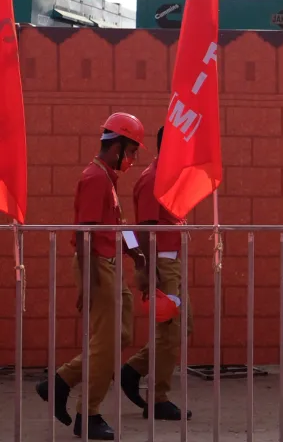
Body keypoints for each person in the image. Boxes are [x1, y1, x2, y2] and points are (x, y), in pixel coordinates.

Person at [35, 113, 147, 440]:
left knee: (121, 336)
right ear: (116, 147)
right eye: (131, 151)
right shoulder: (95, 179)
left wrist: (134, 253)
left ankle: (59, 382)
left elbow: (116, 225)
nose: (132, 159)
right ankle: (90, 414)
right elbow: (84, 233)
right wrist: (86, 282)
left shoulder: (107, 179)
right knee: (108, 341)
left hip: (109, 264)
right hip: (97, 266)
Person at [120, 126, 194, 420]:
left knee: (181, 328)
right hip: (162, 264)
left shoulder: (165, 178)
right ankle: (158, 398)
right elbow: (146, 229)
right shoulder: (153, 179)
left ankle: (134, 369)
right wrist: (152, 274)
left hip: (170, 262)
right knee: (169, 333)